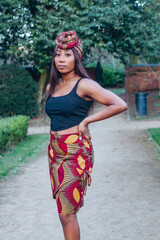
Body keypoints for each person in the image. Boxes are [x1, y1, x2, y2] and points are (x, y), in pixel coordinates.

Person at [45, 30, 127, 240]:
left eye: (67, 54)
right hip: (55, 153)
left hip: (75, 152)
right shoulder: (52, 86)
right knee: (63, 211)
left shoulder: (85, 84)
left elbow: (120, 104)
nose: (61, 59)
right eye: (58, 54)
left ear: (77, 57)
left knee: (66, 213)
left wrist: (87, 121)